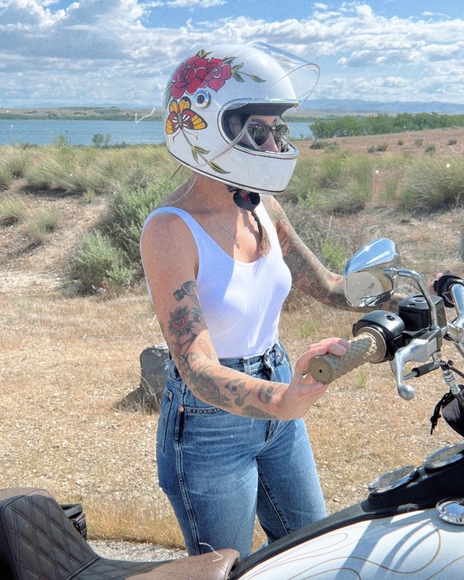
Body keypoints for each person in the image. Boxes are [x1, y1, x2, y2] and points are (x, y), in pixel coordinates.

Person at [140, 42, 393, 558]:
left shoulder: (262, 208)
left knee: (311, 551)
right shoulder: (170, 230)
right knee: (225, 569)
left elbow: (329, 286)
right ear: (209, 131)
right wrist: (279, 399)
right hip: (209, 424)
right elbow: (195, 366)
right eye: (259, 132)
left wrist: (405, 289)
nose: (275, 145)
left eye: (279, 130)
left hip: (276, 387)